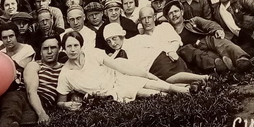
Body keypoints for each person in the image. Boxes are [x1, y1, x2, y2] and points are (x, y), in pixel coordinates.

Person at [56, 30, 189, 106]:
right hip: (110, 93)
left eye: (75, 45)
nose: (73, 50)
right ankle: (178, 99)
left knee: (156, 84)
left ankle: (188, 90)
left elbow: (121, 67)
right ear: (64, 49)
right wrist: (65, 105)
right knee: (149, 93)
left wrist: (146, 75)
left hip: (118, 76)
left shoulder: (93, 54)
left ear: (81, 46)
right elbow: (60, 101)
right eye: (69, 46)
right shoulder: (66, 74)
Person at [22, 35, 63, 124]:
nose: (49, 52)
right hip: (24, 96)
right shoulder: (34, 65)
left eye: (53, 48)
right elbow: (31, 91)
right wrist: (42, 114)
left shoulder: (64, 69)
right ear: (40, 52)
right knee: (10, 110)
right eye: (45, 48)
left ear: (59, 49)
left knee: (28, 120)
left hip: (44, 101)